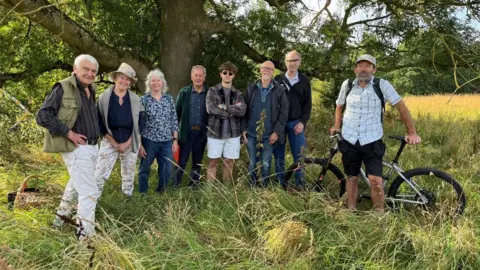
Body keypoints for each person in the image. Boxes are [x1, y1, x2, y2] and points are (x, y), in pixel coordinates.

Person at [330, 54, 421, 212]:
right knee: (351, 178)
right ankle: (351, 211)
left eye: (368, 65)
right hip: (349, 139)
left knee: (375, 180)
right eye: (360, 65)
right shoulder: (347, 84)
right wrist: (336, 125)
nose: (363, 69)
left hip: (371, 139)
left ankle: (379, 214)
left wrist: (412, 132)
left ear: (374, 69)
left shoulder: (382, 85)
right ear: (355, 69)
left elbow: (402, 108)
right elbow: (339, 106)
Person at [36, 54, 100, 240]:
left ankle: (59, 221)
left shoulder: (90, 89)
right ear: (75, 69)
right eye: (85, 69)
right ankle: (85, 238)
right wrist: (69, 133)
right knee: (89, 192)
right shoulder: (63, 87)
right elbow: (43, 115)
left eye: (93, 71)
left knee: (74, 186)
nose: (89, 73)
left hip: (92, 147)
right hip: (76, 148)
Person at [95, 63, 144, 197]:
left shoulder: (136, 100)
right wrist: (114, 143)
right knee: (99, 175)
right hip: (109, 140)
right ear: (116, 78)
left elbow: (141, 123)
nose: (124, 81)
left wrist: (127, 143)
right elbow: (99, 122)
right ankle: (92, 202)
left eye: (128, 79)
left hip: (130, 139)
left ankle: (127, 201)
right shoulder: (103, 97)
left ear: (130, 83)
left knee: (128, 175)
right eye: (122, 77)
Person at [242, 61, 289, 187]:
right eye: (264, 68)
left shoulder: (279, 90)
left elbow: (284, 113)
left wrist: (276, 132)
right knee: (252, 162)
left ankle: (264, 188)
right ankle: (251, 187)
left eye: (270, 69)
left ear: (273, 72)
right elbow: (243, 110)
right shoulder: (251, 89)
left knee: (266, 163)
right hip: (251, 133)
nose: (266, 71)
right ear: (260, 70)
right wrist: (244, 129)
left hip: (269, 135)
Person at [274, 50, 312, 189]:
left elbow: (308, 104)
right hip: (280, 123)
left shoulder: (304, 80)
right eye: (290, 61)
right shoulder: (278, 79)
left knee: (299, 156)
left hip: (296, 122)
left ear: (299, 62)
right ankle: (280, 184)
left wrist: (302, 122)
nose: (292, 63)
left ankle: (300, 185)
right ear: (285, 62)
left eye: (295, 60)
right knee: (279, 155)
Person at [138, 69, 179, 194]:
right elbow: (138, 123)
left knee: (166, 170)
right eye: (153, 80)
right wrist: (139, 144)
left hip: (167, 141)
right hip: (149, 140)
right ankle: (143, 194)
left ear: (163, 82)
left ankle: (161, 193)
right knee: (145, 168)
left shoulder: (168, 99)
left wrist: (175, 140)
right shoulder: (143, 100)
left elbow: (174, 119)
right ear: (149, 83)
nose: (155, 83)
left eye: (158, 80)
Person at [205, 62, 246, 185]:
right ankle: (209, 191)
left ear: (234, 75)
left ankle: (226, 190)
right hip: (215, 133)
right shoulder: (212, 91)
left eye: (230, 73)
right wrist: (231, 112)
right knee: (213, 162)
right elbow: (211, 108)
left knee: (229, 163)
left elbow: (242, 110)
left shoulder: (238, 93)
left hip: (233, 134)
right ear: (220, 74)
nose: (227, 75)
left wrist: (224, 107)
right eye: (225, 73)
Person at [173, 65, 209, 188]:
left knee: (197, 162)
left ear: (204, 77)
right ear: (191, 76)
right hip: (186, 132)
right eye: (196, 75)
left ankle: (194, 185)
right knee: (181, 161)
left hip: (201, 133)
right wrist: (174, 135)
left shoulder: (209, 93)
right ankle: (175, 184)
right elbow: (175, 115)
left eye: (200, 75)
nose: (198, 78)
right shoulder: (184, 92)